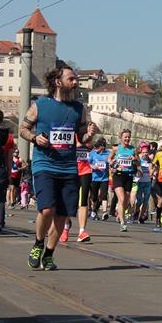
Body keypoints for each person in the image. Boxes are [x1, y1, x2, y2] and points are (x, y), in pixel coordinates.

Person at [20, 65, 99, 270]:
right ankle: (38, 243)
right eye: (71, 79)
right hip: (44, 163)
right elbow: (23, 129)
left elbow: (82, 137)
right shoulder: (40, 105)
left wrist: (89, 134)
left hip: (69, 167)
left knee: (62, 214)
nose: (76, 82)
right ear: (58, 82)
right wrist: (35, 138)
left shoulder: (79, 108)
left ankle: (49, 254)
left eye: (76, 79)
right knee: (47, 209)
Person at [61, 138, 93, 243]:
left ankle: (82, 231)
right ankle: (66, 227)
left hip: (85, 171)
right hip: (71, 170)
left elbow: (90, 145)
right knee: (68, 201)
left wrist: (86, 143)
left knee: (83, 201)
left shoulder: (86, 135)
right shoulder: (70, 132)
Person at [108, 129, 138, 232]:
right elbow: (109, 159)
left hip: (128, 176)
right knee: (121, 198)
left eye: (129, 137)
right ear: (121, 137)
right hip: (118, 175)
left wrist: (134, 159)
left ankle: (119, 214)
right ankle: (122, 222)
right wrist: (111, 162)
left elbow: (138, 163)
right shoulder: (116, 148)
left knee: (125, 200)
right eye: (125, 137)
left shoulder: (133, 149)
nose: (127, 139)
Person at [89, 137, 110, 220]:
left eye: (99, 148)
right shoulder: (93, 153)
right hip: (94, 178)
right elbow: (87, 163)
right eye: (97, 148)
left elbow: (111, 161)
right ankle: (94, 210)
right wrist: (93, 166)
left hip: (104, 178)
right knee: (94, 197)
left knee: (104, 195)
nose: (97, 150)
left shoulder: (108, 153)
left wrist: (112, 164)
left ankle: (104, 212)